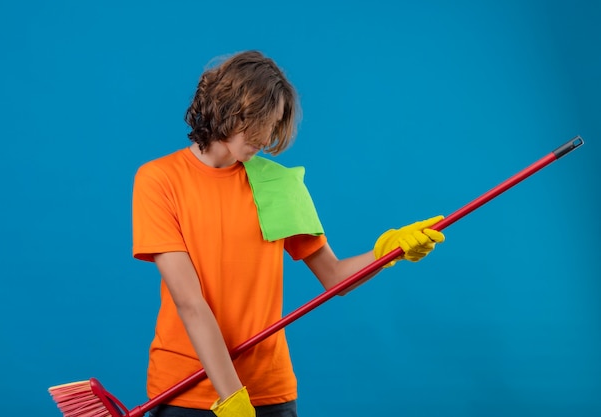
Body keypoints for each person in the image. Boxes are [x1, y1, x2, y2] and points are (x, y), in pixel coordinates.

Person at [132, 50, 445, 417]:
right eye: (260, 121)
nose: (266, 136)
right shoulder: (159, 180)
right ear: (228, 108)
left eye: (274, 122)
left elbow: (335, 278)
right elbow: (189, 301)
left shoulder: (278, 183)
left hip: (268, 391)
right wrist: (232, 398)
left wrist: (386, 252)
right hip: (185, 390)